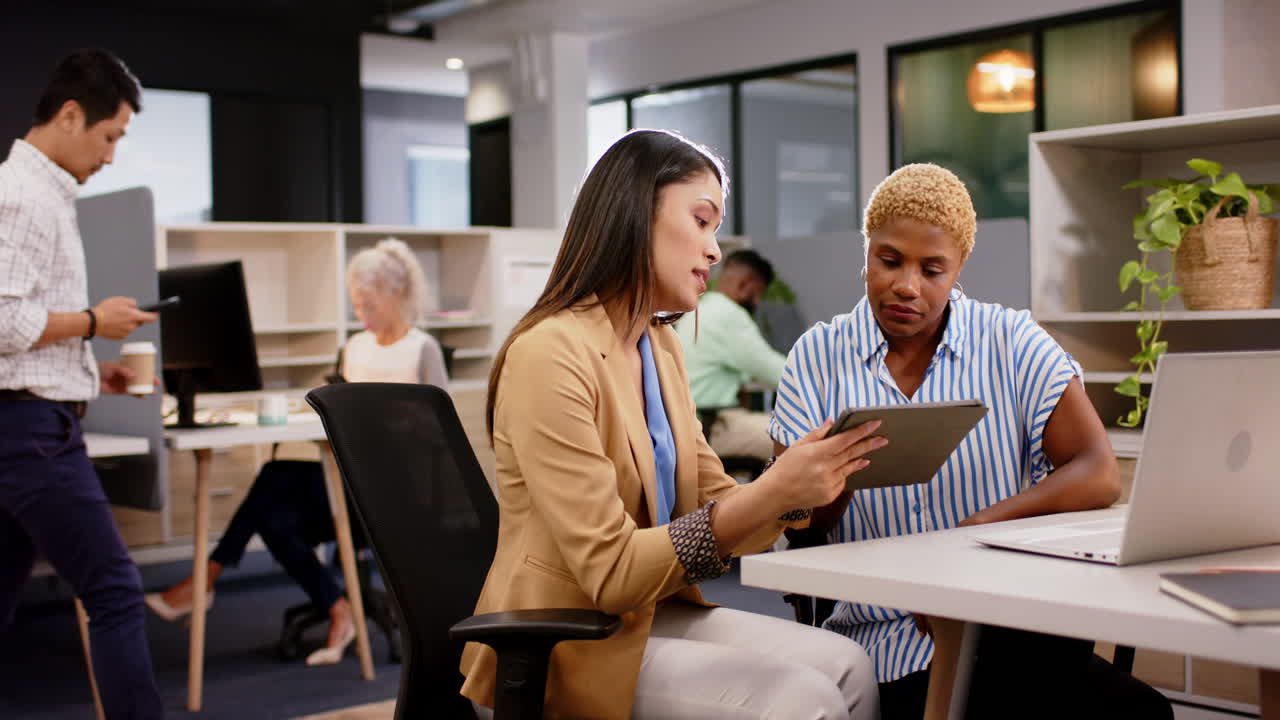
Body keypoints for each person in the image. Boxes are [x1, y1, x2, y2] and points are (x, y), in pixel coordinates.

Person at [459, 129, 882, 720]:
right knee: (802, 698)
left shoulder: (659, 347)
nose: (714, 251)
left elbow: (714, 500)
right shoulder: (549, 353)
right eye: (703, 221)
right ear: (635, 214)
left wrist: (794, 487)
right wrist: (775, 490)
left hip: (647, 615)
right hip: (562, 641)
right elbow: (610, 574)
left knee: (849, 666)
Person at [768, 163, 1173, 719]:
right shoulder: (816, 357)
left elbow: (1098, 472)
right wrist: (826, 482)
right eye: (889, 260)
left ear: (959, 267)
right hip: (886, 644)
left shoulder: (1011, 341)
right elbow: (792, 521)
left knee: (1141, 713)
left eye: (932, 270)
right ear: (866, 252)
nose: (907, 285)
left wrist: (981, 528)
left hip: (1006, 621)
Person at [145, 238, 448, 666]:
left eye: (369, 305)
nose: (362, 316)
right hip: (350, 477)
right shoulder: (356, 348)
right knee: (273, 516)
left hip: (394, 492)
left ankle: (203, 582)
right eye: (356, 307)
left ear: (396, 294)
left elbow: (440, 430)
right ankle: (337, 608)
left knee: (275, 479)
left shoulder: (422, 348)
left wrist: (388, 421)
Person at [0, 49, 164, 718]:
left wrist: (98, 375)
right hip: (31, 436)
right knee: (116, 590)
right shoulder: (23, 198)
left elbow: (21, 350)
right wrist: (96, 321)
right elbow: (4, 322)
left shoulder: (40, 195)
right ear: (71, 115)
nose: (113, 156)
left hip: (26, 421)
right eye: (110, 136)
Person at [675, 248, 786, 461]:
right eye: (758, 293)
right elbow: (778, 372)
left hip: (692, 423)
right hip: (714, 426)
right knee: (797, 436)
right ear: (745, 284)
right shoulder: (730, 315)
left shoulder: (700, 309)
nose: (757, 302)